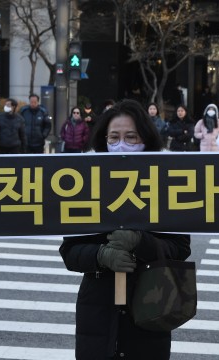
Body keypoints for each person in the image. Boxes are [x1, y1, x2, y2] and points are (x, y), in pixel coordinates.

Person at [59, 99, 191, 359]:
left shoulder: (166, 183)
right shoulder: (85, 184)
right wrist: (100, 256)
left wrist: (141, 243)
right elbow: (69, 251)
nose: (121, 143)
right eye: (114, 137)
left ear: (146, 139)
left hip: (151, 304)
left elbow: (180, 248)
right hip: (98, 310)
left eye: (131, 137)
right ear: (103, 140)